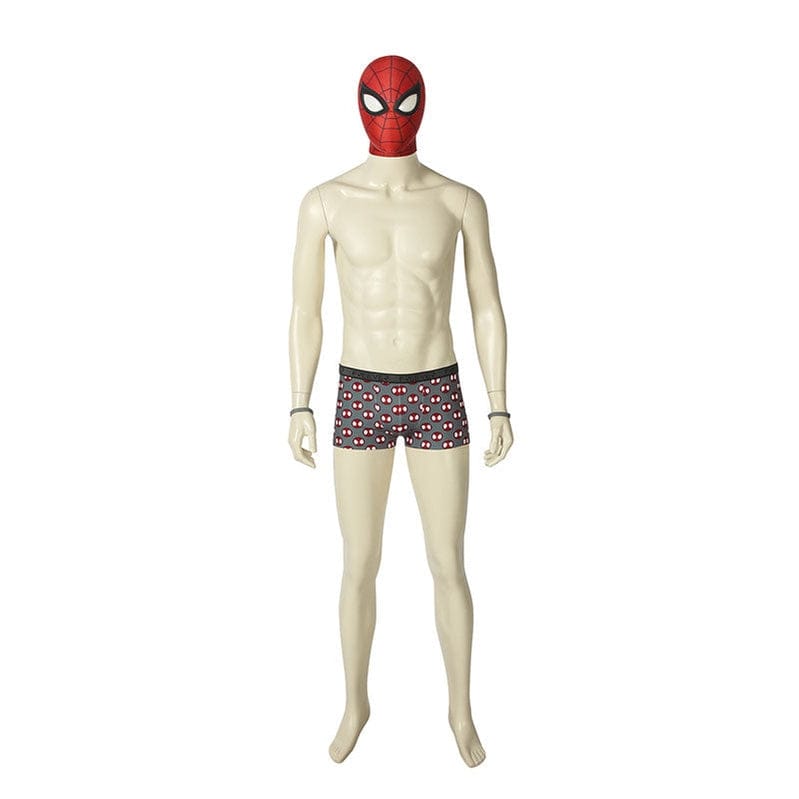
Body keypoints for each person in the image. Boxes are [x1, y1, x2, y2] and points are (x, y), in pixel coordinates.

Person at [288, 54, 513, 767]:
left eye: (404, 101)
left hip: (435, 387)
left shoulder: (458, 201)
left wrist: (499, 402)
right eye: (380, 102)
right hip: (359, 389)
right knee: (359, 561)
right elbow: (305, 310)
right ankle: (355, 703)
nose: (391, 113)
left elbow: (485, 305)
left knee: (448, 561)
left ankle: (460, 711)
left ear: (422, 103)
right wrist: (298, 401)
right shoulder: (326, 201)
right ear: (360, 105)